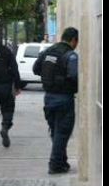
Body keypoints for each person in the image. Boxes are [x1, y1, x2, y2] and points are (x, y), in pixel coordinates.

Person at [33, 27, 79, 174]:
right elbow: (73, 76)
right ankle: (55, 164)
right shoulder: (70, 55)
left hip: (49, 98)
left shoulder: (48, 51)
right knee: (63, 132)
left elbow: (36, 69)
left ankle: (61, 161)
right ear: (73, 40)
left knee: (56, 132)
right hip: (64, 98)